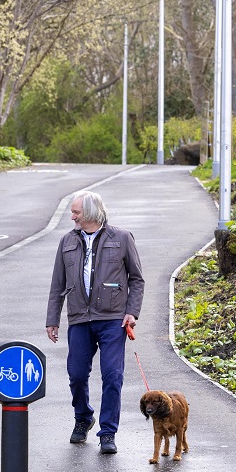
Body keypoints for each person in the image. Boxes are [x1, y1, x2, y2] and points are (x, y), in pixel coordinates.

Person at [46, 190, 144, 454]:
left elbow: (136, 279)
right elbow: (57, 284)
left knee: (113, 376)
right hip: (79, 318)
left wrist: (132, 311)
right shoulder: (67, 241)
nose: (72, 216)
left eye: (76, 211)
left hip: (113, 318)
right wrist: (52, 319)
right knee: (77, 374)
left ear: (90, 212)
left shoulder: (122, 238)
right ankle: (83, 417)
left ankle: (108, 432)